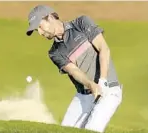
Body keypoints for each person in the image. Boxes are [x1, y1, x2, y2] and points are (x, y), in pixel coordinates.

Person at [26, 5, 122, 133]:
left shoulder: (81, 23)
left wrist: (102, 81)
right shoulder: (55, 53)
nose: (41, 33)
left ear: (49, 17)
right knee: (65, 130)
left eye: (40, 27)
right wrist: (90, 84)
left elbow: (103, 48)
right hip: (84, 96)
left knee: (92, 129)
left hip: (109, 90)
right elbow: (74, 71)